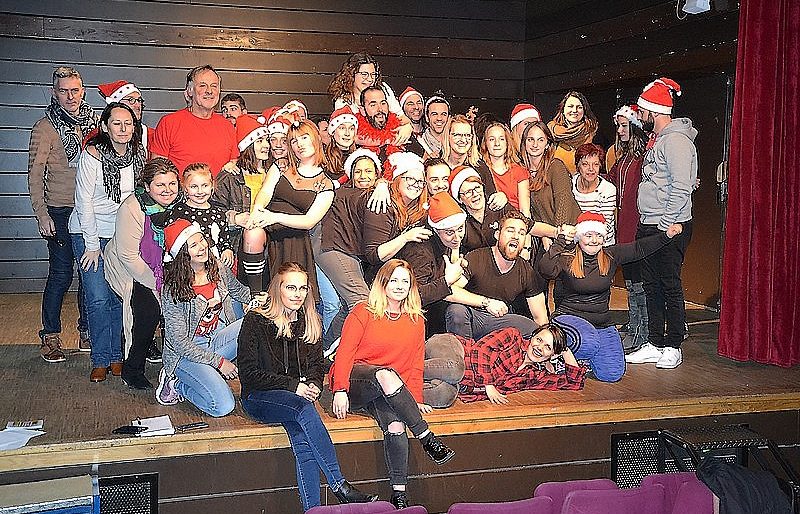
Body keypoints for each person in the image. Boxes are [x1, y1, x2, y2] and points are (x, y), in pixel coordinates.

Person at [237, 263, 378, 510]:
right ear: (277, 288)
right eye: (291, 288)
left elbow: (316, 366)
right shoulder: (256, 320)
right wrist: (294, 386)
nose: (298, 294)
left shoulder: (310, 319)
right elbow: (248, 374)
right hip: (259, 397)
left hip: (295, 398)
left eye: (302, 288)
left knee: (303, 441)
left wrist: (313, 385)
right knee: (303, 409)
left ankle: (313, 509)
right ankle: (339, 485)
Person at [330, 259, 456, 509]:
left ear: (411, 287)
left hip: (387, 388)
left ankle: (399, 494)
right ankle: (426, 437)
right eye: (394, 280)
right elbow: (344, 352)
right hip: (356, 380)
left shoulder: (416, 320)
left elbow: (415, 363)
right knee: (386, 375)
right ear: (383, 283)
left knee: (397, 426)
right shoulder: (363, 311)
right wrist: (340, 389)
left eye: (405, 281)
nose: (399, 286)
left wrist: (415, 399)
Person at [538, 211, 683, 381]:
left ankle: (586, 361)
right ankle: (564, 359)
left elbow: (639, 248)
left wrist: (666, 235)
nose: (594, 240)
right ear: (579, 237)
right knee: (588, 341)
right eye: (588, 235)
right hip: (569, 318)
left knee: (612, 373)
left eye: (598, 235)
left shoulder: (610, 256)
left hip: (601, 323)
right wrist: (560, 240)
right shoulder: (567, 258)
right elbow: (545, 269)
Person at [69, 102, 144, 382]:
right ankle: (100, 358)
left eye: (128, 123)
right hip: (88, 232)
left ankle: (116, 357)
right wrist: (92, 245)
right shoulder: (92, 155)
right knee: (98, 297)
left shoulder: (139, 155)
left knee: (117, 296)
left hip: (120, 234)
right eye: (116, 123)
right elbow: (83, 201)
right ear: (105, 126)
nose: (123, 129)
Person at [626, 77, 697, 369]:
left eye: (642, 111)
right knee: (651, 286)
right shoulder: (659, 140)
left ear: (654, 112)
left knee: (669, 285)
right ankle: (655, 343)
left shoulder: (676, 141)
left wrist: (666, 224)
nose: (640, 116)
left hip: (667, 226)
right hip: (650, 223)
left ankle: (673, 345)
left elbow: (681, 186)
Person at [28, 65, 97, 362]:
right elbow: (34, 174)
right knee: (60, 274)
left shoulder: (95, 124)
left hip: (89, 209)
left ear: (83, 91)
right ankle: (50, 335)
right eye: (64, 91)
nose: (70, 96)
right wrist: (41, 214)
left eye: (75, 90)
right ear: (54, 93)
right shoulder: (44, 128)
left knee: (88, 273)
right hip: (59, 210)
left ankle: (86, 331)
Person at [157, 218, 251, 416]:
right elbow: (179, 342)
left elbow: (240, 292)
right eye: (193, 245)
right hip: (186, 353)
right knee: (222, 406)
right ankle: (175, 383)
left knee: (256, 321)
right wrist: (219, 362)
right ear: (183, 254)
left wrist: (268, 299)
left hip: (215, 339)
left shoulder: (218, 268)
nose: (202, 247)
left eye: (201, 240)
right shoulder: (172, 289)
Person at [247, 120, 336, 324]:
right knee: (252, 234)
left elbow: (309, 221)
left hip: (295, 238)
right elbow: (265, 192)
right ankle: (255, 294)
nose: (299, 144)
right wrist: (258, 211)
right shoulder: (281, 165)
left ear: (315, 139)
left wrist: (275, 216)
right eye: (294, 141)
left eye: (304, 138)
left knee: (296, 300)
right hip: (268, 231)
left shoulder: (325, 183)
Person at [104, 158, 180, 389]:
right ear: (147, 186)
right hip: (130, 268)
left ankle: (179, 362)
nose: (168, 190)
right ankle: (132, 368)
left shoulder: (180, 205)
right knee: (148, 309)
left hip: (165, 266)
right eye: (160, 185)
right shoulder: (132, 208)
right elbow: (128, 256)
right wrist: (157, 286)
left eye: (172, 184)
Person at [445, 211, 550, 340]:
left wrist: (551, 343)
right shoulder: (476, 258)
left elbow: (541, 318)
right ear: (497, 234)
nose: (516, 236)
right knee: (456, 311)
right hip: (472, 317)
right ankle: (465, 351)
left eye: (521, 233)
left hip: (499, 321)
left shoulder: (526, 271)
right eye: (510, 231)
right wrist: (486, 302)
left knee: (532, 328)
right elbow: (450, 292)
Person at [317, 149, 382, 349]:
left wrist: (383, 185)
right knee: (362, 302)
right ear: (351, 175)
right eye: (358, 171)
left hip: (340, 249)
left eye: (368, 171)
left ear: (376, 174)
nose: (363, 176)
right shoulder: (350, 194)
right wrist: (383, 186)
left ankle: (325, 349)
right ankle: (347, 352)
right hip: (332, 247)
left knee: (347, 305)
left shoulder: (370, 192)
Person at [607, 105, 649, 350]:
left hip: (638, 229)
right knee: (632, 282)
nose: (620, 130)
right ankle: (635, 325)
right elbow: (609, 180)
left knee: (640, 283)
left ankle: (643, 331)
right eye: (619, 126)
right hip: (625, 228)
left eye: (624, 126)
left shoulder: (644, 158)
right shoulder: (623, 159)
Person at [458, 325, 586, 403]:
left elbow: (574, 383)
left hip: (460, 385)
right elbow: (482, 349)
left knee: (446, 395)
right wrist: (489, 385)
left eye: (548, 347)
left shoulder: (535, 376)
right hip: (458, 354)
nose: (539, 347)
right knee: (452, 371)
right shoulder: (513, 337)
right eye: (539, 340)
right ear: (532, 337)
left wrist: (565, 351)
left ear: (553, 354)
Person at [150, 64, 238, 177]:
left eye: (214, 86)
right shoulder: (169, 123)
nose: (209, 91)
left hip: (220, 189)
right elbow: (157, 171)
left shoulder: (227, 126)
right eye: (202, 85)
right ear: (190, 91)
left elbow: (233, 163)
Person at [362, 152, 432, 282]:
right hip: (380, 278)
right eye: (410, 179)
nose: (416, 184)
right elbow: (374, 255)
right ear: (398, 179)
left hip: (403, 275)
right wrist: (405, 237)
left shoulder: (419, 209)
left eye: (420, 181)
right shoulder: (383, 202)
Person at [521, 121, 582, 251]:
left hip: (571, 235)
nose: (535, 144)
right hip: (550, 235)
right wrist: (545, 234)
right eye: (530, 139)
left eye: (540, 140)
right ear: (524, 143)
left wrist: (557, 237)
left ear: (547, 144)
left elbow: (563, 204)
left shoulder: (555, 166)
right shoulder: (522, 172)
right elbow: (532, 212)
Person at [328, 52, 411, 145]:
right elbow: (352, 137)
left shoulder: (383, 89)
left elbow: (402, 117)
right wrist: (388, 140)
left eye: (373, 74)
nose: (370, 79)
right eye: (364, 74)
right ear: (351, 74)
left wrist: (408, 127)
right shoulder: (343, 101)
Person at [165, 163, 238, 268]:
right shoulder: (178, 212)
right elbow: (171, 244)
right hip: (187, 267)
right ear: (185, 188)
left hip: (215, 266)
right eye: (194, 186)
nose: (200, 191)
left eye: (205, 186)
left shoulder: (218, 213)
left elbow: (224, 240)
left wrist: (227, 250)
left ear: (212, 185)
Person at [441, 114, 507, 209]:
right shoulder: (438, 166)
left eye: (467, 135)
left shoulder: (479, 167)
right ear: (448, 136)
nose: (463, 140)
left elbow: (492, 197)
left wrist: (500, 198)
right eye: (457, 135)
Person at [480, 122, 531, 216]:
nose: (497, 143)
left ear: (507, 143)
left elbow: (525, 210)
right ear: (485, 143)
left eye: (501, 139)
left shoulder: (519, 171)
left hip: (515, 219)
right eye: (492, 139)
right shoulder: (481, 171)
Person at [90, 80, 154, 154]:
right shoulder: (94, 137)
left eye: (139, 100)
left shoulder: (152, 135)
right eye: (131, 100)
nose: (137, 105)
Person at [572, 143, 617, 245]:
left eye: (595, 164)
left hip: (602, 244)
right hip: (576, 243)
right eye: (585, 164)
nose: (591, 169)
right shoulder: (570, 185)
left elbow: (604, 226)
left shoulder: (608, 190)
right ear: (578, 166)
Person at [547, 91, 598, 175]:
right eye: (570, 106)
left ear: (584, 110)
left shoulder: (593, 131)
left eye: (579, 107)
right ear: (563, 110)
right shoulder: (550, 133)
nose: (574, 110)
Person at [323, 106, 359, 184]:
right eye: (342, 128)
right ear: (333, 132)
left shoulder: (360, 157)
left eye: (351, 129)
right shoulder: (323, 159)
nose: (347, 133)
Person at [419, 92, 451, 158]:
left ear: (449, 118)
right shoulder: (419, 145)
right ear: (427, 117)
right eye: (434, 114)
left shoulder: (455, 143)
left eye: (443, 114)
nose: (439, 118)